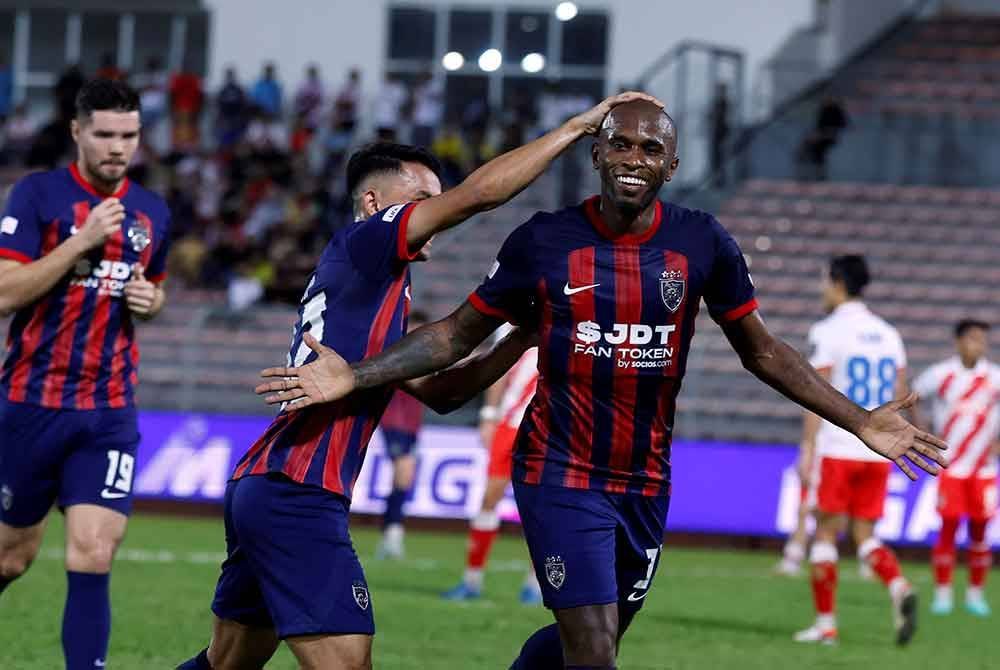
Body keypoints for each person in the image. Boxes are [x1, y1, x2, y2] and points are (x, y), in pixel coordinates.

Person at [257, 101, 947, 668]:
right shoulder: (543, 241)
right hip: (558, 470)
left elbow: (762, 351)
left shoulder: (703, 243)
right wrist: (357, 373)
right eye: (619, 144)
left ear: (672, 166)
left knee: (591, 641)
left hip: (645, 480)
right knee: (593, 651)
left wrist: (859, 419)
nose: (632, 159)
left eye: (650, 149)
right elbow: (453, 337)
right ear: (596, 153)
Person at [176, 91, 657, 670]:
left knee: (227, 662)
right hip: (296, 489)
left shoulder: (372, 292)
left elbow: (443, 393)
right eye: (423, 199)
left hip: (268, 483)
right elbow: (479, 196)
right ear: (374, 203)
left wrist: (520, 339)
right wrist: (576, 127)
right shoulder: (367, 241)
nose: (436, 211)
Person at [0, 78, 171, 670]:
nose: (117, 147)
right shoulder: (37, 195)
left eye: (128, 135)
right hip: (30, 403)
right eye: (104, 134)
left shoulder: (153, 211)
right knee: (11, 558)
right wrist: (82, 242)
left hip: (107, 410)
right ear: (77, 131)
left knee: (95, 551)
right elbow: (4, 292)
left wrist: (152, 301)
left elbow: (155, 290)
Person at [793, 255, 917, 646]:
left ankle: (826, 625)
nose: (822, 289)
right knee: (865, 536)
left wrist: (807, 447)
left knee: (825, 533)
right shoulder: (889, 334)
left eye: (824, 281)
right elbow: (900, 392)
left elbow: (815, 393)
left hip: (838, 446)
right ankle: (898, 585)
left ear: (838, 283)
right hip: (877, 452)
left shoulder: (828, 330)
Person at [442, 336, 542, 604]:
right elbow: (499, 371)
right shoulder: (517, 324)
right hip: (509, 424)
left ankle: (536, 585)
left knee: (543, 508)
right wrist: (489, 415)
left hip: (547, 429)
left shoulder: (574, 324)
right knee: (489, 499)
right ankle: (471, 580)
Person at [912, 319, 1000, 617]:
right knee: (948, 527)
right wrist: (921, 431)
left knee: (980, 532)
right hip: (951, 467)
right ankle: (943, 595)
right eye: (974, 338)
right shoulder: (942, 374)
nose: (979, 344)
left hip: (983, 469)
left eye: (983, 339)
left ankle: (976, 595)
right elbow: (913, 396)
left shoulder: (994, 377)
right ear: (960, 341)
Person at [375, 311, 429, 560]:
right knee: (404, 471)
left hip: (412, 426)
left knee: (404, 479)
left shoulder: (426, 355)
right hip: (393, 421)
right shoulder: (398, 353)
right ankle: (393, 533)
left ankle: (389, 532)